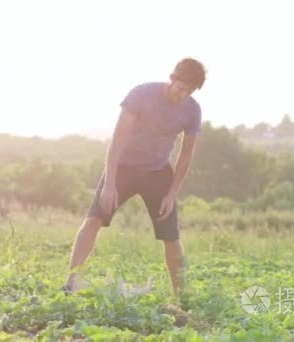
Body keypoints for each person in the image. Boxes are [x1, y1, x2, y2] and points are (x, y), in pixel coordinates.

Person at [63, 58, 206, 298]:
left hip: (158, 172)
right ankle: (70, 283)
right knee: (94, 220)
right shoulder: (141, 94)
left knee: (172, 236)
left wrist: (171, 194)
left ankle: (181, 299)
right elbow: (117, 140)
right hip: (123, 168)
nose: (183, 95)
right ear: (172, 78)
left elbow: (186, 154)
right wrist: (110, 183)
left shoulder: (192, 110)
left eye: (188, 92)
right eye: (181, 88)